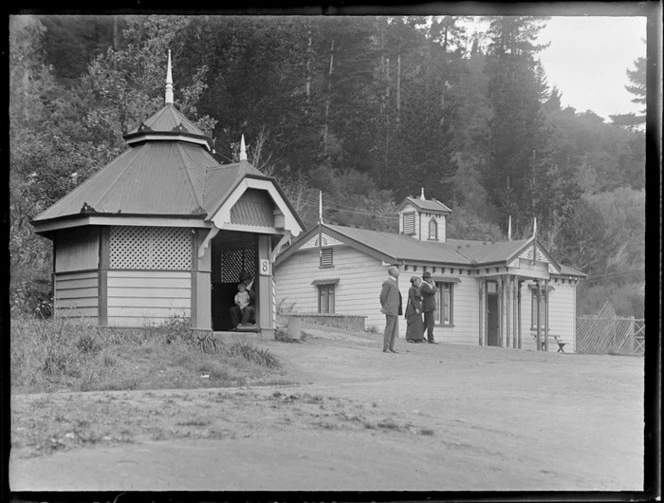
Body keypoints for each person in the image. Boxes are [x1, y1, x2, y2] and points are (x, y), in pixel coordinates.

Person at [379, 266, 402, 353]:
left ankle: (391, 347)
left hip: (395, 309)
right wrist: (385, 306)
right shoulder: (388, 282)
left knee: (393, 330)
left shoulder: (394, 282)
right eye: (396, 270)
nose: (398, 272)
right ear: (392, 272)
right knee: (389, 329)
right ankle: (386, 347)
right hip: (390, 308)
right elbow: (382, 296)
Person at [405, 276, 426, 343]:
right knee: (413, 322)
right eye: (417, 281)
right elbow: (412, 298)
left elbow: (419, 297)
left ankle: (418, 337)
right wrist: (415, 308)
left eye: (419, 281)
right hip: (413, 306)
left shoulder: (418, 289)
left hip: (418, 305)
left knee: (418, 323)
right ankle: (411, 337)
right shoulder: (412, 289)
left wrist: (421, 298)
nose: (418, 282)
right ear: (413, 282)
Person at [420, 271, 439, 344]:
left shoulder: (425, 285)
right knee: (431, 323)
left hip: (427, 306)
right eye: (429, 278)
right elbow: (432, 292)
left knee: (426, 323)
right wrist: (434, 286)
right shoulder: (425, 286)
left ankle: (420, 335)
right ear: (426, 279)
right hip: (428, 307)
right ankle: (431, 339)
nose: (430, 279)